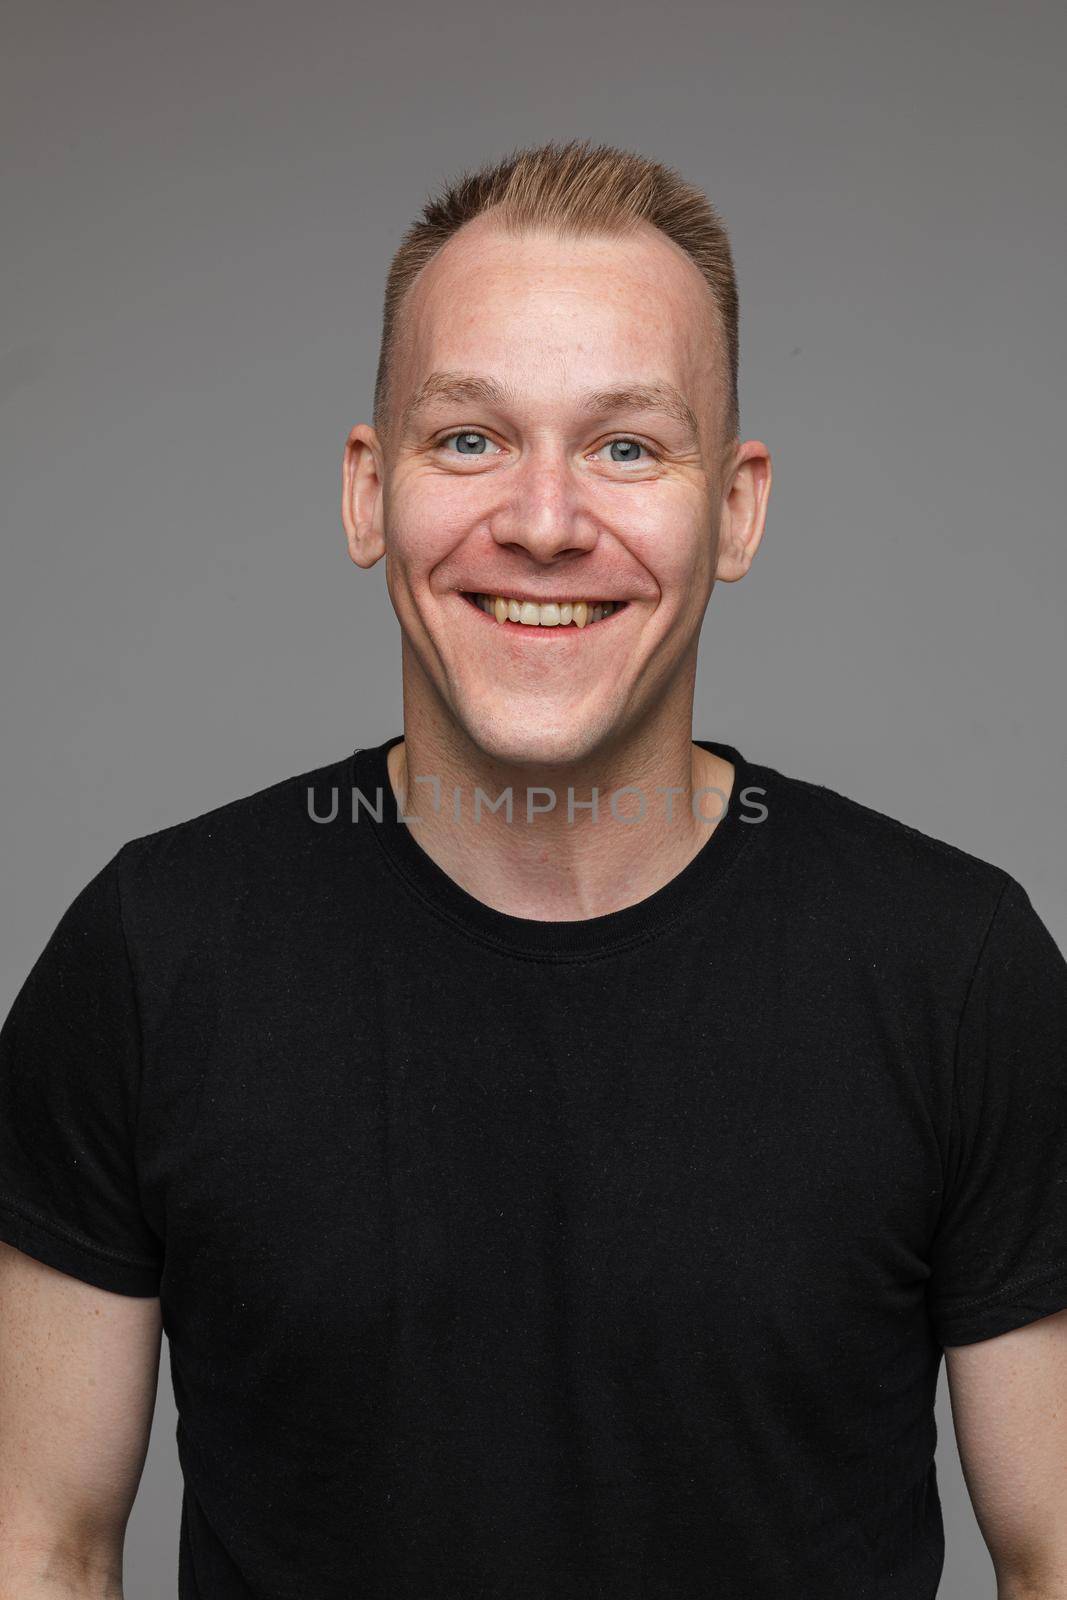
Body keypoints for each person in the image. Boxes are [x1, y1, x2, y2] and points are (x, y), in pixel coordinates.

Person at [1, 137, 1065, 1600]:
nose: (548, 522)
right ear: (369, 493)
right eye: (469, 439)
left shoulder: (959, 973)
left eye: (627, 444)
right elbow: (39, 1547)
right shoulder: (149, 955)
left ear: (736, 508)